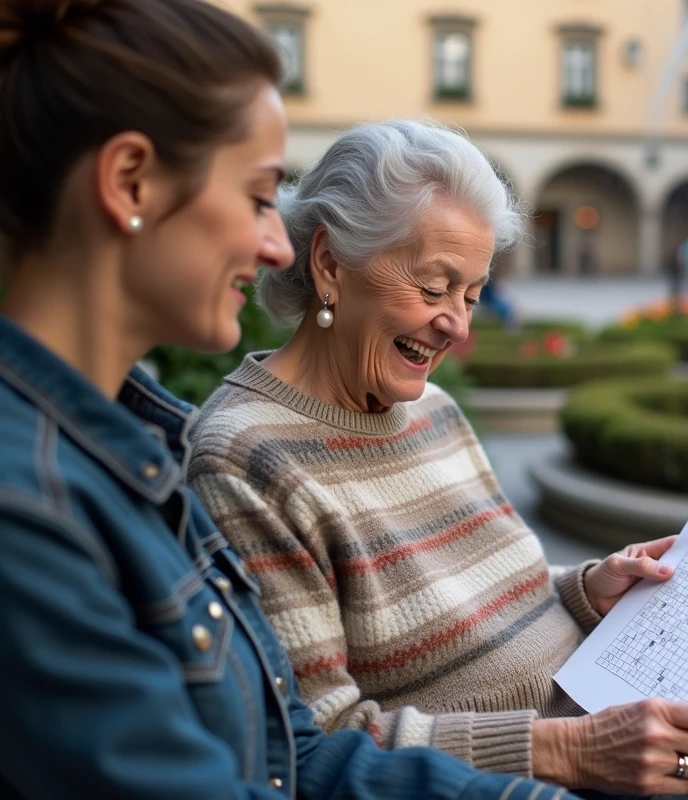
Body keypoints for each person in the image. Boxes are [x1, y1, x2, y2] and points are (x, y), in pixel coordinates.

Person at [186, 120, 688, 800]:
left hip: (591, 715)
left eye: (473, 294)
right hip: (522, 774)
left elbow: (480, 591)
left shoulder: (430, 408)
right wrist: (562, 750)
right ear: (330, 263)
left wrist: (585, 588)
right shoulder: (246, 455)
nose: (457, 324)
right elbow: (316, 741)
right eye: (434, 286)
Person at [0, 4, 574, 799]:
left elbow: (278, 744)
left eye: (470, 292)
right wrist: (557, 767)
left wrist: (582, 591)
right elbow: (297, 754)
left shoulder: (125, 447)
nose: (278, 245)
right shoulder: (50, 496)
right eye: (261, 194)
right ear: (128, 180)